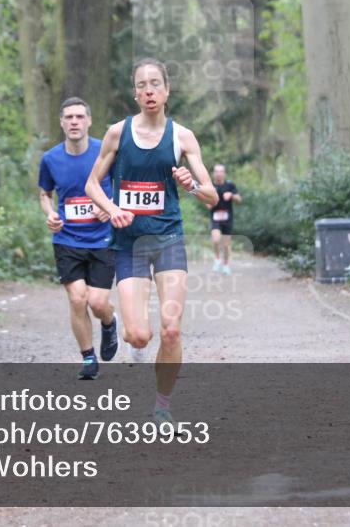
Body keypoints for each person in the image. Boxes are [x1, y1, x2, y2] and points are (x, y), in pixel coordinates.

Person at [85, 57, 218, 424]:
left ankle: (162, 406)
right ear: (135, 93)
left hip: (168, 240)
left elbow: (211, 196)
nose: (149, 91)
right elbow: (92, 184)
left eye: (155, 83)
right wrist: (112, 209)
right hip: (129, 245)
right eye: (142, 85)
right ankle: (128, 334)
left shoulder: (182, 137)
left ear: (167, 90)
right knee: (139, 336)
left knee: (171, 330)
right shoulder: (118, 133)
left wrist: (191, 185)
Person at [38, 97, 119, 380]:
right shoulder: (50, 159)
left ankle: (109, 322)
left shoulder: (105, 152)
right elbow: (45, 194)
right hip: (67, 239)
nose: (74, 122)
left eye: (80, 117)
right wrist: (50, 213)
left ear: (89, 121)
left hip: (103, 239)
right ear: (61, 123)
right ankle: (88, 358)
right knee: (77, 299)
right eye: (69, 117)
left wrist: (109, 205)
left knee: (97, 303)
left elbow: (124, 186)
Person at [207, 164, 242, 274]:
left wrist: (231, 195)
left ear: (224, 173)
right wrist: (214, 198)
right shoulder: (210, 186)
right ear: (213, 173)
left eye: (221, 171)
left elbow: (239, 200)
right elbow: (208, 206)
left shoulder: (230, 185)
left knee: (226, 244)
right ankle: (217, 259)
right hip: (215, 217)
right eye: (216, 171)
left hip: (227, 218)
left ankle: (226, 265)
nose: (218, 174)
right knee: (216, 239)